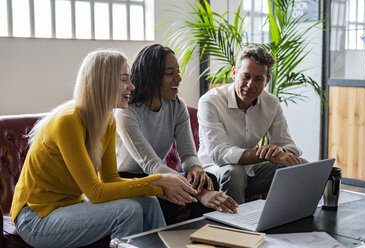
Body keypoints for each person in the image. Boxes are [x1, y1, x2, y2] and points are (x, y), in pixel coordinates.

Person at [9, 49, 197, 248]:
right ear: (103, 82)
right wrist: (158, 182)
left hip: (70, 205)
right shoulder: (68, 121)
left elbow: (110, 179)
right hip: (36, 218)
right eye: (124, 80)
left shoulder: (107, 120)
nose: (132, 87)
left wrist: (154, 188)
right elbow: (95, 192)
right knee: (128, 210)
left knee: (148, 202)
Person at [115, 44, 238, 225]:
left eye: (178, 72)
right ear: (151, 76)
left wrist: (196, 167)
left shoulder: (177, 106)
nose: (179, 79)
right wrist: (201, 194)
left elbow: (188, 154)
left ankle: (203, 237)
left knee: (208, 179)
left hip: (156, 173)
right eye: (170, 73)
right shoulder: (127, 112)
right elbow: (151, 165)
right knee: (167, 195)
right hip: (128, 177)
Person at [197, 45, 303, 204]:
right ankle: (237, 226)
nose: (250, 84)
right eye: (245, 76)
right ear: (234, 73)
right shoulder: (210, 101)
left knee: (301, 166)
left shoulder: (271, 103)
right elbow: (220, 154)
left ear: (267, 80)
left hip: (251, 170)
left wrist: (280, 150)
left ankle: (287, 220)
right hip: (214, 170)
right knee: (234, 172)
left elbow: (289, 145)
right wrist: (267, 155)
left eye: (258, 79)